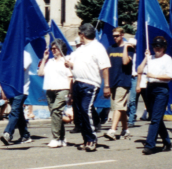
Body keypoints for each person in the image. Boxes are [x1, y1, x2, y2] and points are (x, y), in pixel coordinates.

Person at [64, 23, 111, 152]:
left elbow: (105, 67)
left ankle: (91, 139)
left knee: (86, 109)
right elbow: (76, 65)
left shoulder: (98, 48)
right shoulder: (80, 49)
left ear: (82, 35)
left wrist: (106, 85)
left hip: (90, 84)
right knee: (79, 112)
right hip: (78, 82)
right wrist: (69, 64)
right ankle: (86, 139)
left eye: (80, 34)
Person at [138, 36, 172, 155]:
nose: (157, 48)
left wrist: (154, 76)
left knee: (155, 118)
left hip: (161, 89)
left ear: (164, 48)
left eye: (159, 46)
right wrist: (145, 58)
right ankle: (167, 141)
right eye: (155, 46)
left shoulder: (167, 59)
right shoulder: (150, 58)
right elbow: (139, 70)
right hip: (150, 88)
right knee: (155, 117)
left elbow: (170, 76)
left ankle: (150, 145)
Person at [38, 39, 73, 148]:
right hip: (50, 89)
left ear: (60, 49)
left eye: (55, 48)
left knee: (56, 111)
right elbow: (40, 73)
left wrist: (70, 93)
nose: (53, 50)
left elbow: (70, 77)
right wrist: (44, 59)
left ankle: (56, 138)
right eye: (52, 48)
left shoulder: (66, 60)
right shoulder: (50, 61)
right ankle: (62, 138)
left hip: (62, 89)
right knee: (55, 114)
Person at [0, 47, 35, 145]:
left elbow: (20, 70)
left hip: (22, 89)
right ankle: (25, 135)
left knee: (15, 111)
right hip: (11, 89)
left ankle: (7, 133)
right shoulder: (11, 56)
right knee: (18, 113)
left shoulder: (26, 55)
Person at [105, 28, 133, 141]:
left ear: (122, 35)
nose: (115, 38)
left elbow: (126, 62)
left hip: (123, 81)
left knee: (118, 105)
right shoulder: (110, 48)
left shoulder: (129, 48)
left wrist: (125, 47)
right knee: (120, 108)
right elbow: (106, 66)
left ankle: (112, 130)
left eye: (117, 35)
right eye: (113, 36)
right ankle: (125, 130)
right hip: (113, 81)